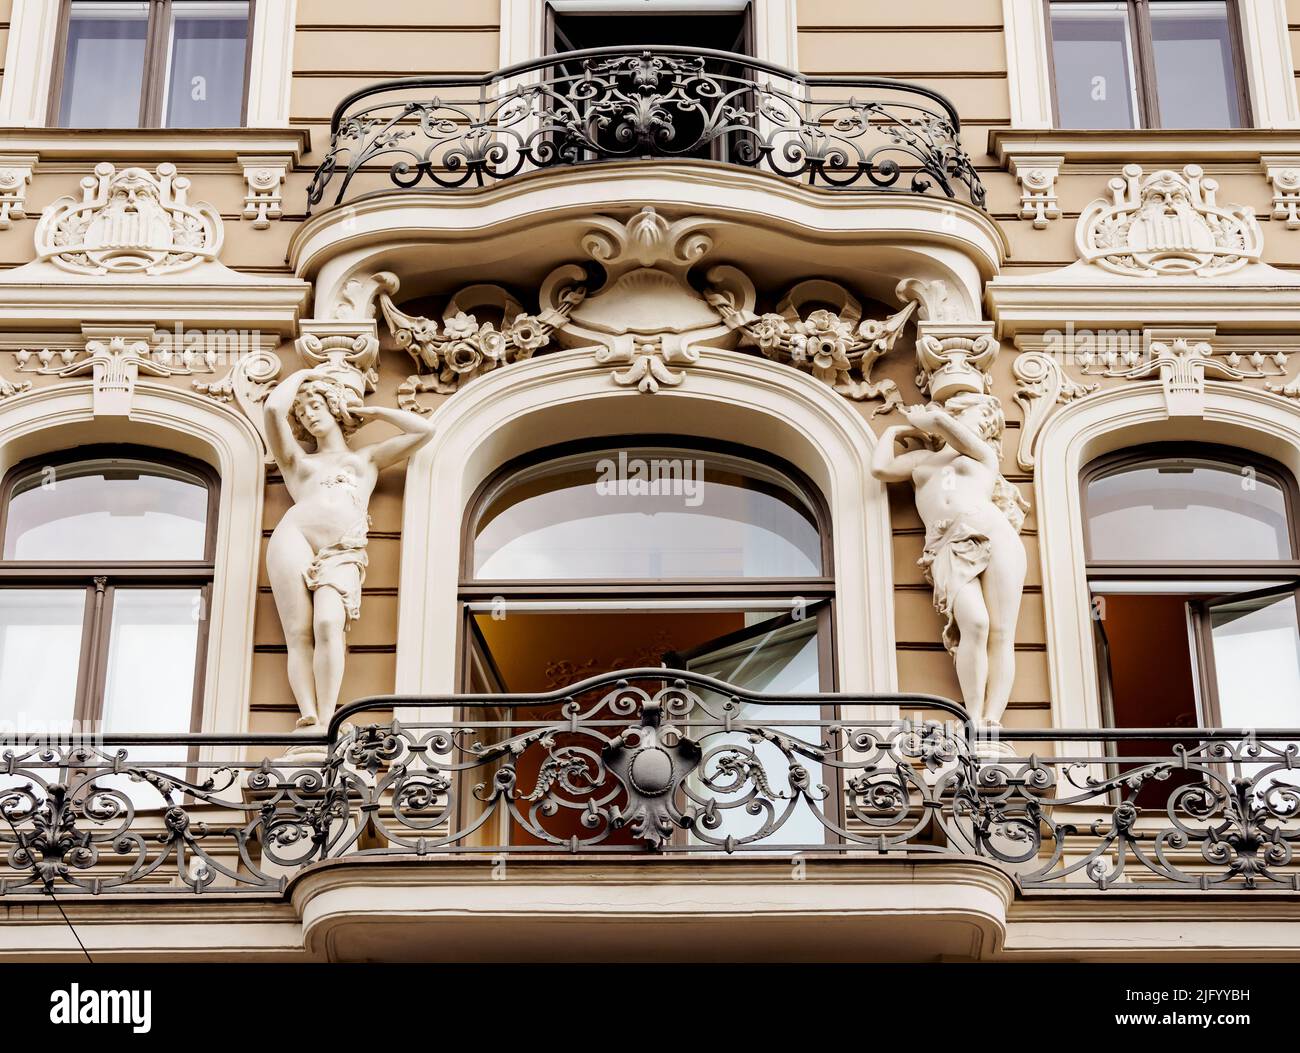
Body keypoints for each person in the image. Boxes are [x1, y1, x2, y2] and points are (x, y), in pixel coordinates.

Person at [264, 366, 434, 730]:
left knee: (328, 623)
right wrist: (305, 373)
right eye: (303, 413)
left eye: (315, 406)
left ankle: (328, 716)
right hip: (294, 537)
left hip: (343, 549)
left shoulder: (366, 458)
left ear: (335, 407)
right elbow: (273, 411)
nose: (308, 416)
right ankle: (309, 715)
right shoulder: (297, 462)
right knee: (298, 632)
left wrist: (375, 413)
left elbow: (424, 431)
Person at [871, 392, 1028, 726]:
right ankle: (972, 715)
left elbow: (943, 424)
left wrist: (931, 419)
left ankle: (991, 720)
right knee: (975, 623)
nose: (984, 425)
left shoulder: (983, 455)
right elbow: (881, 467)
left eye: (988, 422)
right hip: (946, 544)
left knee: (1001, 632)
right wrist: (895, 431)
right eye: (979, 416)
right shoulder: (923, 461)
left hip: (994, 535)